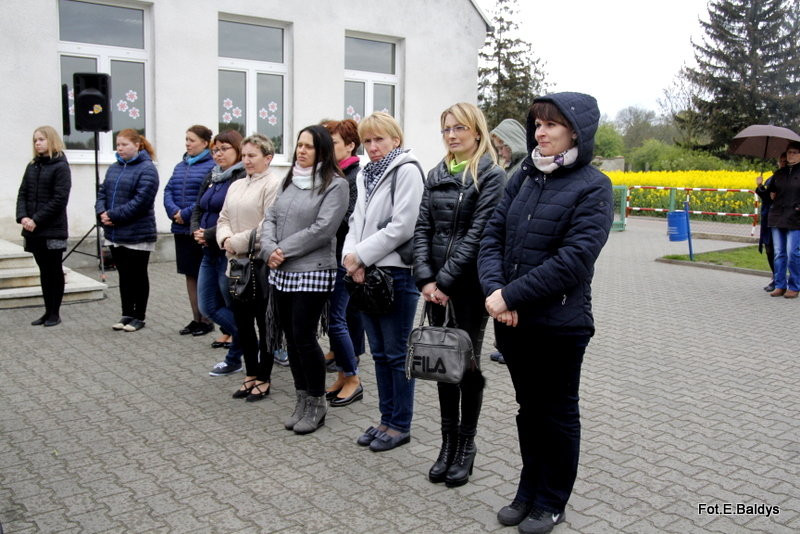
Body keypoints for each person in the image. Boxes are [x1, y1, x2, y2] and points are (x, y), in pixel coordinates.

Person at [478, 92, 613, 534]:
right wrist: (497, 292)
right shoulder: (523, 175)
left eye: (551, 124)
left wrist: (511, 296)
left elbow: (574, 260)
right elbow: (492, 236)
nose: (540, 132)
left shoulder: (594, 186)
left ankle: (552, 501)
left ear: (575, 130)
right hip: (514, 320)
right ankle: (528, 489)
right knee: (527, 409)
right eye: (537, 124)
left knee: (556, 413)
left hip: (559, 325)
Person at [412, 102, 505, 486]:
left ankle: (466, 446)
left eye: (459, 128)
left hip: (466, 288)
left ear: (477, 132)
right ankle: (446, 444)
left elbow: (478, 234)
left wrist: (446, 282)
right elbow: (422, 229)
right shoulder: (436, 173)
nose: (452, 135)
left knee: (465, 366)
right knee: (441, 366)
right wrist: (425, 280)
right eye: (446, 129)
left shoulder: (491, 175)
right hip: (436, 288)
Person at [342, 112, 425, 452]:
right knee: (378, 353)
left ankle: (400, 424)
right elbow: (356, 220)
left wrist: (361, 256)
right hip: (365, 272)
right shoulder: (366, 174)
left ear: (395, 139)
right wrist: (351, 261)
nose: (373, 147)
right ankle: (385, 418)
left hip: (396, 275)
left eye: (379, 139)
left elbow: (403, 226)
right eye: (368, 141)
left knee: (396, 354)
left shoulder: (406, 170)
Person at [262, 125, 349, 434]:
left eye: (309, 147)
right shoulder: (290, 180)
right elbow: (270, 216)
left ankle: (317, 402)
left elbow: (324, 229)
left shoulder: (335, 185)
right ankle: (301, 399)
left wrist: (282, 250)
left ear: (322, 150)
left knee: (303, 336)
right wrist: (269, 248)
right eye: (299, 145)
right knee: (290, 336)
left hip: (313, 269)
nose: (301, 151)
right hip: (282, 270)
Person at [216, 134, 282, 400]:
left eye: (252, 155)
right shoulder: (236, 185)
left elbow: (267, 225)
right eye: (244, 155)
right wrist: (224, 239)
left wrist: (236, 241)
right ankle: (250, 374)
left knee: (263, 324)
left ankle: (264, 378)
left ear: (268, 158)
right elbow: (223, 218)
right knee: (242, 324)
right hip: (235, 263)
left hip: (257, 264)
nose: (247, 160)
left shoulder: (274, 185)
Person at [190, 130, 247, 376]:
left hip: (228, 252)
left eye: (224, 148)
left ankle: (236, 356)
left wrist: (210, 234)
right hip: (208, 251)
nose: (218, 153)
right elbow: (197, 207)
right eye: (215, 149)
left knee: (231, 304)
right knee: (207, 307)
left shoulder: (242, 178)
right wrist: (196, 230)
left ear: (237, 150)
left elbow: (235, 217)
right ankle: (249, 338)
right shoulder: (212, 176)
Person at [96, 129, 160, 332]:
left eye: (124, 144)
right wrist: (102, 213)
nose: (120, 148)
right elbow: (102, 192)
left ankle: (139, 316)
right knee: (124, 274)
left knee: (138, 275)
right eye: (118, 144)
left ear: (137, 145)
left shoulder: (147, 169)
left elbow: (141, 201)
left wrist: (113, 216)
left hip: (137, 232)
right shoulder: (114, 167)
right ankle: (126, 313)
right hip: (116, 232)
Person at [321, 118, 365, 407]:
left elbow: (347, 219)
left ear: (350, 145)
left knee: (338, 320)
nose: (327, 149)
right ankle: (341, 375)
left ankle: (352, 378)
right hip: (330, 255)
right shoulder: (334, 173)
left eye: (332, 143)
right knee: (339, 319)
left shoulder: (352, 176)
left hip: (343, 257)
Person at [16, 126, 72, 327]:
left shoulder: (60, 166)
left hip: (52, 228)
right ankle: (46, 311)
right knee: (43, 270)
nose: (37, 143)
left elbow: (59, 199)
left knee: (54, 269)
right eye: (35, 140)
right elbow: (23, 193)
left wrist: (36, 219)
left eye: (41, 139)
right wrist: (23, 216)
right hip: (34, 230)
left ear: (52, 141)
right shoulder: (33, 165)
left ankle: (54, 313)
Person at [164, 125, 217, 336]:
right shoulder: (180, 165)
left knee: (202, 274)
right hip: (180, 228)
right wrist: (173, 211)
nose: (187, 143)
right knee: (189, 274)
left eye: (192, 140)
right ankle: (195, 318)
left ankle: (207, 319)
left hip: (198, 227)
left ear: (205, 143)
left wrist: (185, 214)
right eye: (186, 139)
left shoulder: (211, 166)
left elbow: (204, 198)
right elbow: (168, 190)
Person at [488, 118, 528, 365]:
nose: (502, 151)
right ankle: (504, 344)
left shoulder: (523, 169)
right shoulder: (512, 168)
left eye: (504, 146)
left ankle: (509, 347)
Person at [765, 142, 800, 299]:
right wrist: (761, 188)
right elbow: (768, 196)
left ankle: (794, 286)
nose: (790, 155)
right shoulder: (779, 174)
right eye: (788, 152)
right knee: (779, 253)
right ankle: (780, 285)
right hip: (778, 217)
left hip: (795, 218)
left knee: (793, 253)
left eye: (794, 152)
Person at [756, 152, 787, 292]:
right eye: (781, 160)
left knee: (783, 250)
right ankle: (775, 277)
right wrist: (760, 187)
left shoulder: (790, 178)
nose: (783, 163)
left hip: (782, 217)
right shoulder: (772, 178)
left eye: (785, 160)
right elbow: (767, 198)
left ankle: (784, 280)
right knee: (769, 249)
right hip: (768, 217)